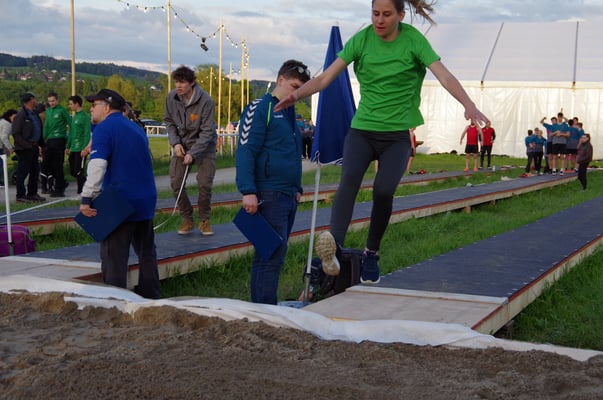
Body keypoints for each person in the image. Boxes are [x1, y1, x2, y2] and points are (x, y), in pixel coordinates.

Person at [274, 0, 489, 284]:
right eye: (375, 13)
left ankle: (371, 253)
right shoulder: (362, 39)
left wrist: (469, 105)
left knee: (384, 190)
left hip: (396, 136)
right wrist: (296, 95)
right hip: (362, 131)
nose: (379, 20)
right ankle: (334, 248)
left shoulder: (413, 40)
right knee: (349, 180)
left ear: (401, 15)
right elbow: (325, 78)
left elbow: (444, 76)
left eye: (387, 15)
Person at [236, 60, 311, 305]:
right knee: (270, 254)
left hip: (287, 194)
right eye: (294, 86)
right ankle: (265, 309)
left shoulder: (290, 114)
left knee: (273, 254)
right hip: (268, 192)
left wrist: (296, 188)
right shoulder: (261, 107)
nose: (296, 93)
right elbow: (246, 149)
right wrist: (247, 190)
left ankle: (263, 306)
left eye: (301, 89)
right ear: (280, 80)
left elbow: (292, 153)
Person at [79, 89, 160, 299]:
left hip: (120, 200)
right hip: (146, 197)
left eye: (94, 105)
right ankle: (151, 297)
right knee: (147, 253)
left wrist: (87, 197)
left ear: (106, 107)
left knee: (114, 257)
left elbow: (97, 165)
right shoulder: (136, 128)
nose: (90, 109)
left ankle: (115, 300)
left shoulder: (104, 129)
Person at [164, 65, 217, 236]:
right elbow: (169, 122)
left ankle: (204, 220)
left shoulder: (206, 101)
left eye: (182, 82)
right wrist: (175, 143)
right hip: (182, 143)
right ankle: (187, 218)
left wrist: (193, 153)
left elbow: (207, 131)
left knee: (204, 183)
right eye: (176, 82)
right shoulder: (171, 98)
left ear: (192, 83)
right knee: (176, 183)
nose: (178, 86)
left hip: (205, 146)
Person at [10, 93, 46, 203]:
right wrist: (26, 145)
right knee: (23, 172)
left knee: (35, 171)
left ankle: (32, 193)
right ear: (30, 100)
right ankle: (20, 195)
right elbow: (16, 133)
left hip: (34, 146)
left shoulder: (34, 113)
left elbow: (38, 128)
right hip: (25, 148)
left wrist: (41, 144)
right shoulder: (21, 115)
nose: (36, 100)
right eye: (35, 99)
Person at [41, 92, 70, 197]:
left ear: (57, 100)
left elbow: (70, 124)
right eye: (49, 101)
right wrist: (43, 140)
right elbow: (46, 126)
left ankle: (59, 189)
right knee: (48, 165)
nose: (51, 103)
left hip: (59, 139)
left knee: (58, 165)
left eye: (53, 101)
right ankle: (57, 185)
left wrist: (68, 142)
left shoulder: (62, 110)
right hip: (50, 141)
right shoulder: (48, 111)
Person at [66, 95, 91, 194]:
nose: (69, 106)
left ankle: (80, 192)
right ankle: (87, 181)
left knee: (78, 170)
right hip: (73, 148)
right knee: (72, 171)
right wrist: (68, 146)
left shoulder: (85, 116)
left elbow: (87, 133)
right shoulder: (74, 116)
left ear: (77, 104)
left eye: (71, 104)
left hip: (81, 148)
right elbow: (71, 132)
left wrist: (85, 148)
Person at [0, 109, 17, 186]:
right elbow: (4, 137)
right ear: (9, 116)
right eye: (14, 117)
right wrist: (10, 148)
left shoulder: (2, 121)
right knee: (1, 164)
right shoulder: (7, 124)